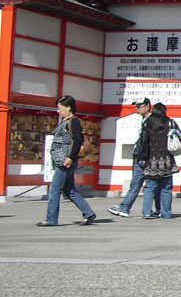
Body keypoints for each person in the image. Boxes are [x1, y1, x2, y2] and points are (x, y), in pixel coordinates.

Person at [38, 94, 97, 227]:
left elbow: (77, 140)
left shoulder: (73, 121)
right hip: (63, 160)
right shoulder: (65, 122)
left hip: (64, 161)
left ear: (68, 107)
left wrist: (70, 157)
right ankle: (88, 212)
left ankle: (51, 218)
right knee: (69, 190)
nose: (58, 111)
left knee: (55, 190)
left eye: (60, 108)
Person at [109, 98, 152, 217]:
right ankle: (125, 207)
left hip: (145, 158)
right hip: (142, 156)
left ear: (147, 106)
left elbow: (147, 142)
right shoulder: (144, 120)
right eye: (136, 106)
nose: (137, 108)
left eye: (140, 106)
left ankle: (150, 210)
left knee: (149, 185)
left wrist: (143, 156)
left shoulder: (150, 121)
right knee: (137, 184)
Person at [140, 104, 179, 219]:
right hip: (167, 159)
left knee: (150, 187)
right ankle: (166, 213)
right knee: (166, 188)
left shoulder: (147, 123)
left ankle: (147, 212)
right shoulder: (170, 123)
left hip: (151, 159)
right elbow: (179, 136)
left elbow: (143, 141)